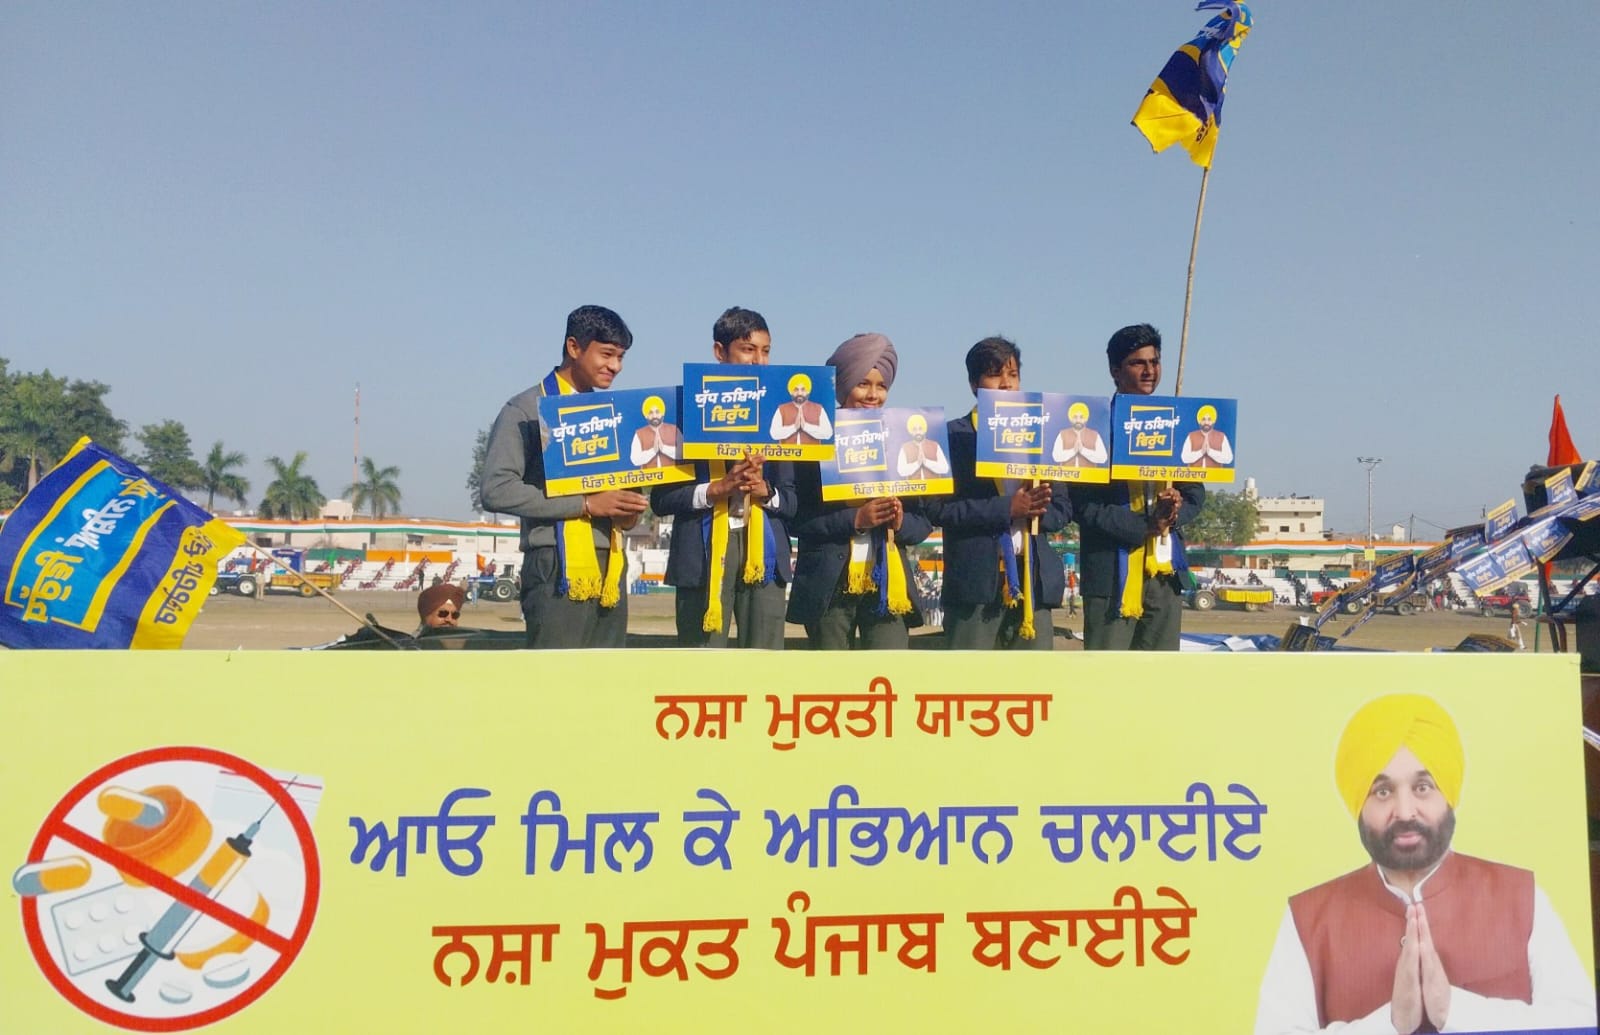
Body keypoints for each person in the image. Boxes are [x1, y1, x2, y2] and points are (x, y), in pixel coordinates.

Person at [1253, 694, 1596, 1034]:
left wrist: (1454, 1010)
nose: (1405, 812)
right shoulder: (1309, 917)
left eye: (1422, 787)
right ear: (1358, 803)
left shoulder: (1520, 895)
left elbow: (1580, 1022)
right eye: (1382, 792)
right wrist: (1391, 1023)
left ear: (1448, 793)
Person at [481, 305, 648, 648]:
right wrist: (584, 504)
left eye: (621, 357)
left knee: (607, 677)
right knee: (557, 676)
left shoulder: (617, 415)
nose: (615, 366)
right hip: (553, 563)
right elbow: (496, 489)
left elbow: (624, 500)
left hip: (611, 566)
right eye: (607, 354)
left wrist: (630, 508)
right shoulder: (525, 409)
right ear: (574, 347)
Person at [651, 307, 796, 648]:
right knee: (703, 660)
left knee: (765, 662)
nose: (759, 361)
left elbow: (792, 500)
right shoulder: (682, 411)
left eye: (766, 351)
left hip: (765, 554)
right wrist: (716, 489)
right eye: (748, 349)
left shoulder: (782, 414)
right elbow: (661, 500)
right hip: (702, 553)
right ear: (719, 351)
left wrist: (766, 491)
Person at [925, 337, 1071, 649]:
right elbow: (938, 509)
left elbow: (1062, 508)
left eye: (1013, 375)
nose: (1006, 384)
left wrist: (1038, 507)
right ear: (973, 384)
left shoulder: (1044, 434)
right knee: (972, 676)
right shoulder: (953, 436)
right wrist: (1008, 508)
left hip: (1034, 582)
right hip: (975, 586)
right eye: (995, 375)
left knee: (1036, 678)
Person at [788, 333, 931, 649]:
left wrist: (900, 522)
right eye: (863, 384)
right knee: (832, 675)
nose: (873, 395)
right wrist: (856, 519)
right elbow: (797, 518)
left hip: (888, 584)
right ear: (844, 384)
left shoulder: (902, 439)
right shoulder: (814, 440)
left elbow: (924, 521)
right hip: (829, 585)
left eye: (881, 386)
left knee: (887, 673)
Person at [1069, 324, 1204, 651]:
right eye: (1138, 363)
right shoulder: (1095, 428)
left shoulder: (1175, 424)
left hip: (1164, 574)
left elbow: (1195, 495)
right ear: (1115, 371)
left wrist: (1173, 511)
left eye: (1154, 362)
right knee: (1108, 674)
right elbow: (1083, 506)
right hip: (1111, 576)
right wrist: (1145, 526)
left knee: (1160, 674)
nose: (1149, 371)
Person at [769, 372, 833, 445]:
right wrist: (793, 428)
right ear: (791, 392)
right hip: (789, 452)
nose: (799, 393)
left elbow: (828, 433)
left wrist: (806, 427)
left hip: (812, 452)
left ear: (808, 391)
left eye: (803, 389)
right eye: (796, 389)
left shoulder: (819, 409)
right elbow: (774, 434)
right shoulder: (781, 409)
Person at [1050, 401, 1108, 468]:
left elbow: (1103, 458)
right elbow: (1056, 457)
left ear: (1086, 418)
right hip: (1068, 474)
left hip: (1088, 474)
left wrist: (1083, 451)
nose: (1078, 420)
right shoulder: (1062, 434)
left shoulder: (1095, 435)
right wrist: (1073, 451)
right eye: (1075, 417)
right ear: (1071, 418)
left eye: (1081, 417)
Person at [630, 394, 680, 470]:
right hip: (650, 476)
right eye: (651, 412)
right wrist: (653, 451)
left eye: (657, 412)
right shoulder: (639, 434)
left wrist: (664, 449)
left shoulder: (674, 430)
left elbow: (683, 453)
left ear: (662, 413)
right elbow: (635, 460)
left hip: (674, 475)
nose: (654, 416)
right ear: (646, 415)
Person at [896, 413, 951, 480]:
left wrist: (927, 462)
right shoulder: (905, 447)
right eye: (914, 429)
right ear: (911, 431)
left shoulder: (935, 445)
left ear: (924, 430)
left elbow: (945, 468)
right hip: (915, 486)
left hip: (934, 485)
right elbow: (901, 471)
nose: (918, 432)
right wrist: (917, 464)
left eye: (920, 428)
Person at [1179, 403, 1233, 468]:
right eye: (1203, 419)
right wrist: (1201, 452)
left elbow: (1229, 458)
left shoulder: (1221, 436)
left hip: (1215, 474)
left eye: (1209, 419)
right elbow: (1184, 458)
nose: (1206, 422)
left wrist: (1210, 452)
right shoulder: (1191, 436)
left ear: (1213, 421)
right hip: (1196, 474)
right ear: (1199, 421)